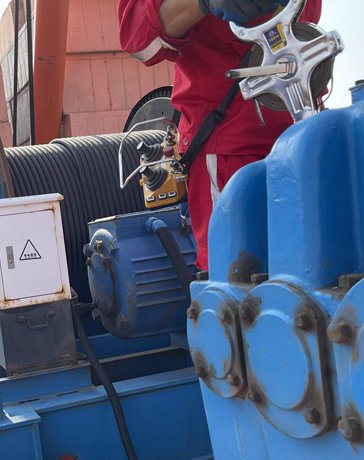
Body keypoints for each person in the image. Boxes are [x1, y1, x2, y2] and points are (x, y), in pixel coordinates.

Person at [118, 0, 322, 270]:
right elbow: (138, 36)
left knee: (321, 266)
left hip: (304, 136)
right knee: (238, 278)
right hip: (232, 150)